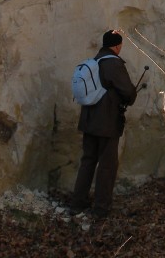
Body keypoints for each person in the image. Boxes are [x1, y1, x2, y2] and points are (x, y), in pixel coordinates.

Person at [70, 29, 137, 218]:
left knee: (88, 161)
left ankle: (78, 202)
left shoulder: (94, 61)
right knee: (107, 164)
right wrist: (131, 96)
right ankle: (101, 208)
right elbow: (127, 91)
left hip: (88, 120)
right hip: (106, 123)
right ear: (117, 46)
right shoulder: (113, 64)